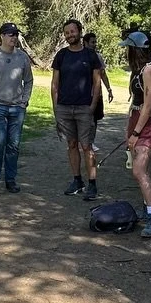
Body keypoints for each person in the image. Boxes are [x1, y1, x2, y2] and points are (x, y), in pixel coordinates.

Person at [50, 18, 104, 200]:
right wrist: (56, 107)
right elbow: (55, 84)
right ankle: (77, 180)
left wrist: (92, 106)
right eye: (66, 33)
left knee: (87, 146)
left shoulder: (90, 55)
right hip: (64, 108)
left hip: (84, 108)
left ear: (80, 32)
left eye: (72, 31)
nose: (69, 35)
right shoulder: (61, 55)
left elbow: (97, 83)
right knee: (71, 144)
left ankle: (92, 184)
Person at [0, 22, 33, 195]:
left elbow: (29, 81)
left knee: (14, 145)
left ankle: (10, 180)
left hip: (17, 108)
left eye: (16, 34)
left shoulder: (22, 57)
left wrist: (24, 101)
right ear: (2, 36)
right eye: (10, 34)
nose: (14, 38)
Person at [120, 30, 151, 238]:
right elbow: (136, 103)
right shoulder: (139, 70)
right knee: (138, 169)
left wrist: (136, 132)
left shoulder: (149, 71)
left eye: (128, 48)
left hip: (147, 123)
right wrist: (128, 129)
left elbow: (147, 106)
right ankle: (148, 210)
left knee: (139, 170)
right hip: (137, 120)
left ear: (135, 50)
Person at [83, 31, 115, 125]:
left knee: (94, 120)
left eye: (95, 42)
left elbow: (103, 74)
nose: (95, 45)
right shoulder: (78, 57)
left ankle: (90, 139)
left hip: (95, 94)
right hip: (82, 95)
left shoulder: (98, 57)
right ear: (85, 42)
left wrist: (109, 89)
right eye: (92, 42)